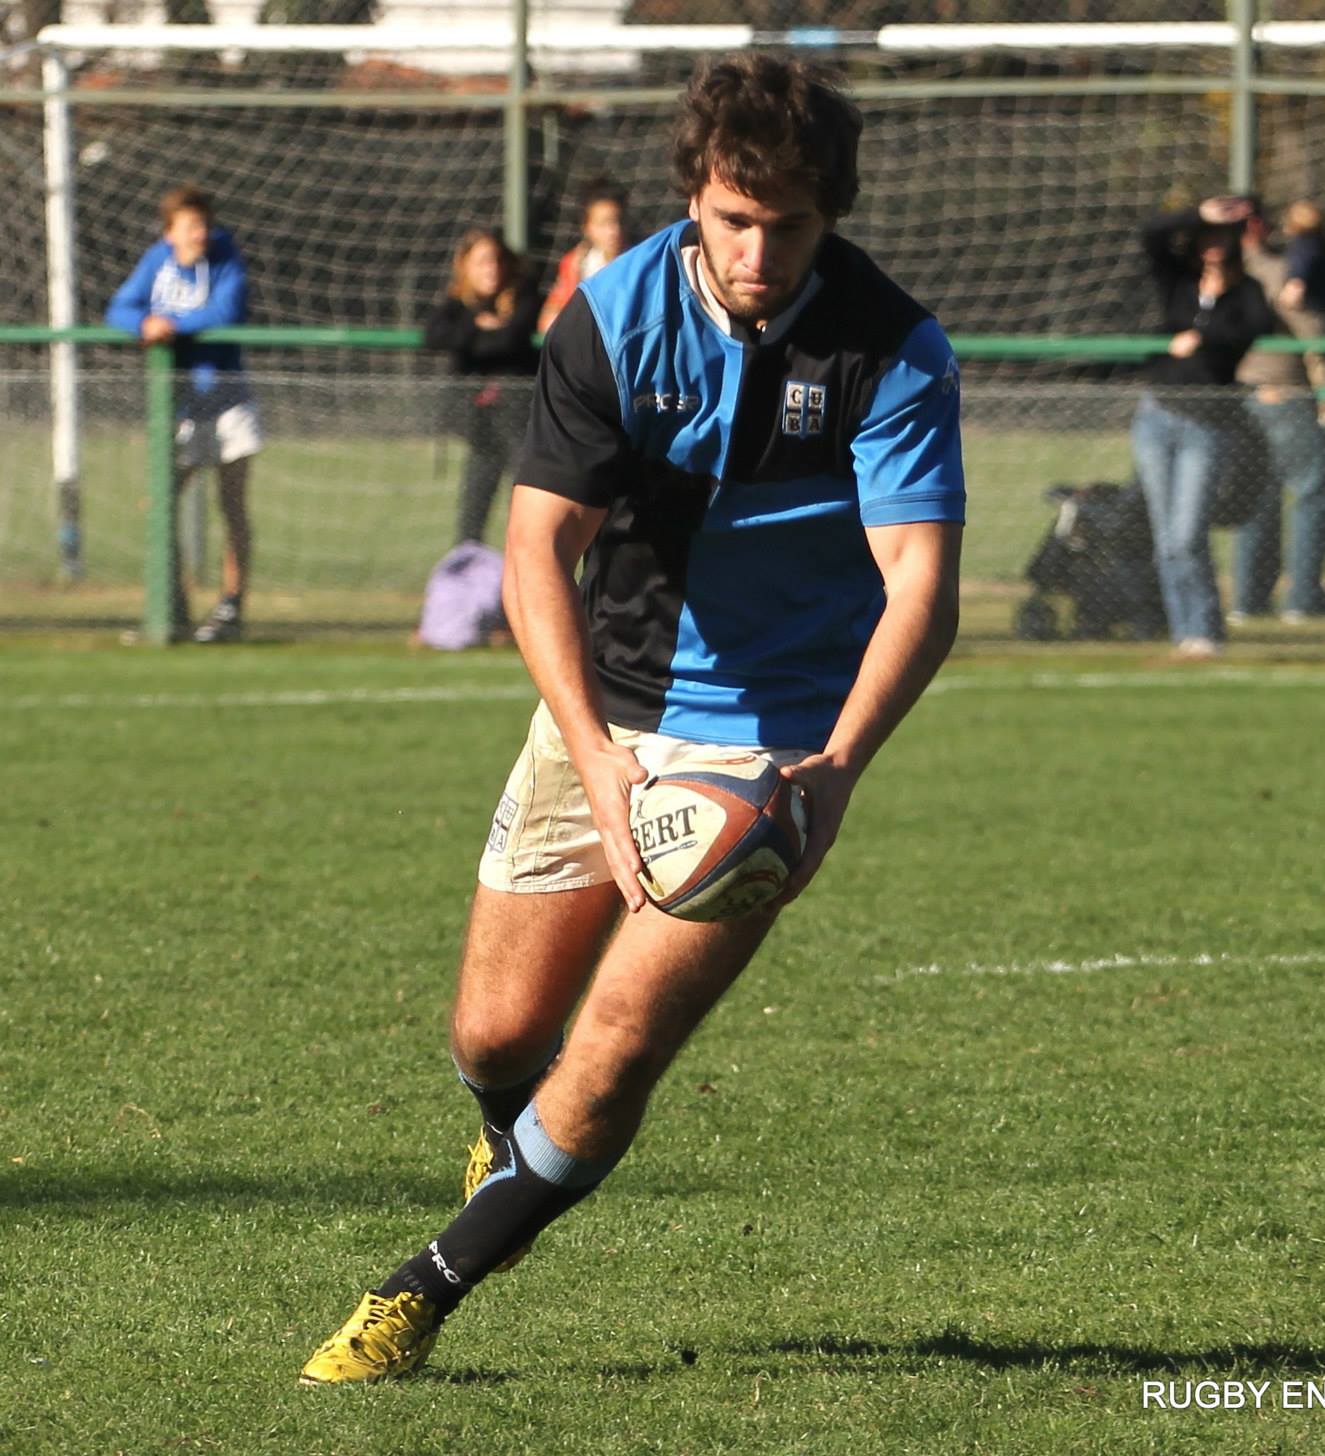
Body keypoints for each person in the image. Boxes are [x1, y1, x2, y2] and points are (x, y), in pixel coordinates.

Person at [299, 52, 965, 1385]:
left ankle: (416, 1295)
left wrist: (835, 768)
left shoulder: (892, 345)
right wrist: (596, 759)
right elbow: (536, 549)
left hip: (765, 753)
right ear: (693, 197)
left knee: (609, 1055)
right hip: (603, 709)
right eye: (734, 219)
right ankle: (513, 1153)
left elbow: (922, 586)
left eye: (789, 225)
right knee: (496, 1037)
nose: (758, 253)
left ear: (831, 214)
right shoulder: (613, 317)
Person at [106, 185, 260, 643]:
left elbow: (225, 310)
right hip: (179, 407)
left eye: (205, 224)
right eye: (191, 225)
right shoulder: (157, 260)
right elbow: (119, 308)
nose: (201, 233)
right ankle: (168, 607)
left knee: (232, 504)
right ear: (169, 231)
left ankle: (230, 608)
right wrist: (143, 324)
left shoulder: (225, 257)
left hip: (228, 401)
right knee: (162, 503)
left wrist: (169, 326)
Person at [1133, 195, 1273, 658]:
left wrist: (1200, 339)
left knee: (1187, 534)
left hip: (1206, 423)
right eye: (1206, 236)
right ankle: (1184, 632)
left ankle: (1206, 630)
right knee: (1166, 540)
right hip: (1157, 416)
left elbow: (1251, 330)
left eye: (1221, 236)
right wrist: (1199, 213)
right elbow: (1151, 234)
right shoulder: (1178, 281)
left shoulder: (1246, 292)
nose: (1213, 244)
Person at [1232, 198, 1325, 624]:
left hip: (1235, 399)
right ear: (1256, 226)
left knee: (1256, 499)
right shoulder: (1273, 271)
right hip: (1282, 394)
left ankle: (1248, 599)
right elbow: (1311, 334)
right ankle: (1303, 598)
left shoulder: (1211, 273)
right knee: (1313, 493)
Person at [424, 229, 543, 546]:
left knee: (526, 487)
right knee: (477, 485)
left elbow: (511, 340)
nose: (492, 269)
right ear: (465, 266)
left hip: (519, 416)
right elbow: (434, 336)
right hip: (479, 419)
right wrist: (477, 324)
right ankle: (468, 554)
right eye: (483, 262)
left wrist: (483, 337)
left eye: (497, 260)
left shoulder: (524, 295)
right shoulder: (459, 304)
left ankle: (528, 553)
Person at [540, 177, 631, 333]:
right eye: (603, 223)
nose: (614, 231)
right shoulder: (575, 264)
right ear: (587, 227)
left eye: (619, 221)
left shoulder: (641, 261)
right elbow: (549, 317)